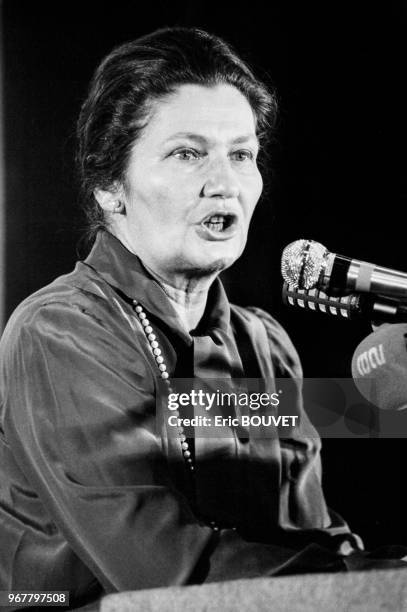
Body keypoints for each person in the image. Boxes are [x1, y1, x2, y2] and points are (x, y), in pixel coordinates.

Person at [0, 27, 404, 611]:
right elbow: (163, 571)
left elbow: (307, 536)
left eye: (241, 154)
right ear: (110, 187)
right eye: (188, 154)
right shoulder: (60, 331)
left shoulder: (265, 344)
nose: (225, 183)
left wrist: (377, 573)